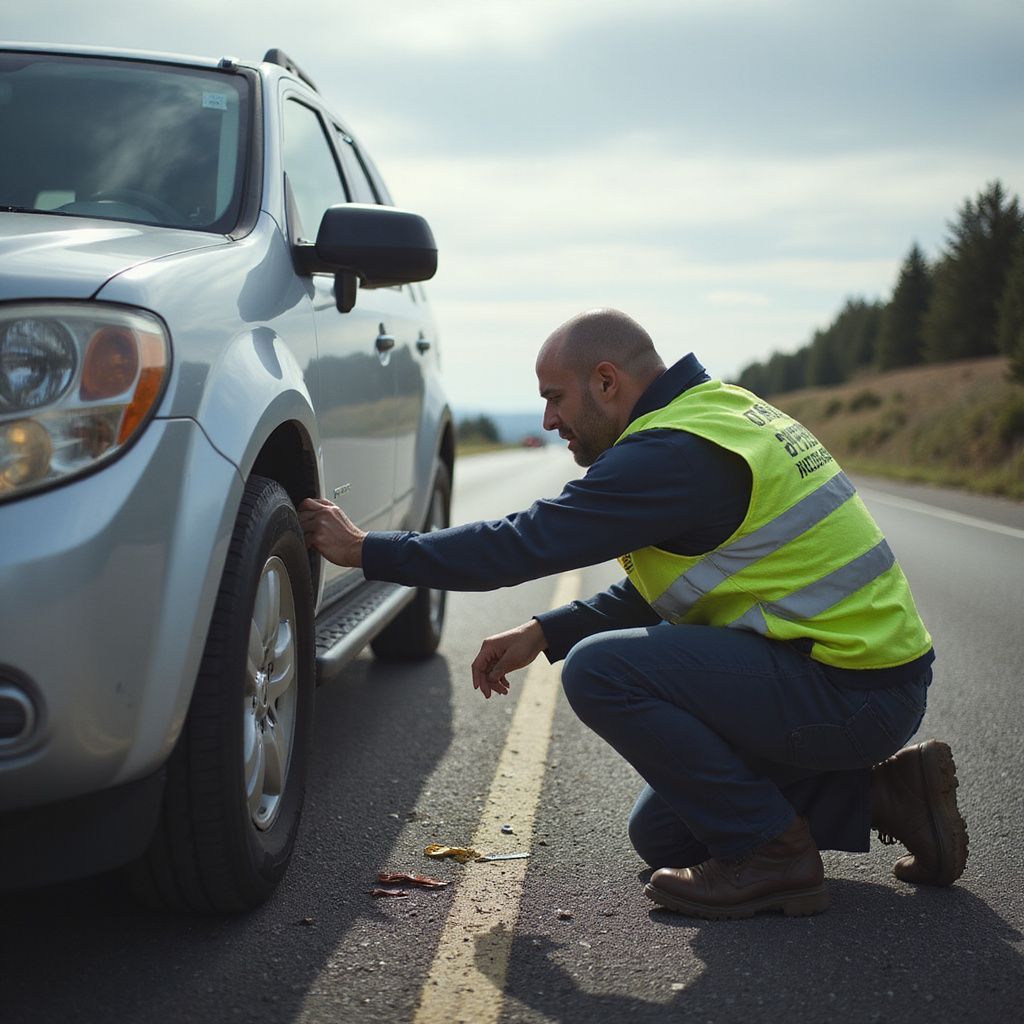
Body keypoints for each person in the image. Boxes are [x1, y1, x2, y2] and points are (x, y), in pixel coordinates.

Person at [299, 308, 968, 920]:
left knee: (602, 671)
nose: (548, 422)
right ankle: (892, 795)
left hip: (850, 690)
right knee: (665, 833)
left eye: (555, 399)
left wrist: (367, 551)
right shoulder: (716, 410)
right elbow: (681, 584)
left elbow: (522, 542)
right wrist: (545, 630)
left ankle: (776, 860)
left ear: (607, 381)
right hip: (860, 680)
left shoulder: (669, 455)